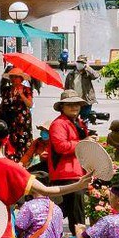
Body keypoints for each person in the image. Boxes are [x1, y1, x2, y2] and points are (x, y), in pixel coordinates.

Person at [45, 90, 93, 227]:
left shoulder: (76, 122)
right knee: (73, 214)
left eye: (77, 104)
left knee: (70, 212)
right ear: (62, 107)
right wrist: (84, 143)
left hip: (75, 172)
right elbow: (61, 146)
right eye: (70, 104)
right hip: (65, 174)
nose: (74, 107)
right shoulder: (59, 124)